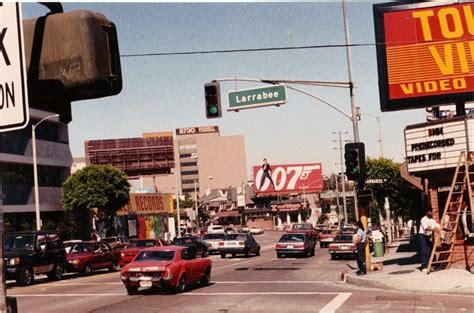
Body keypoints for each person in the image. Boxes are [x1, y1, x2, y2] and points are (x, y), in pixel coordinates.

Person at [419, 208, 438, 272]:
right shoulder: (423, 219)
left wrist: (441, 228)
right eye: (429, 212)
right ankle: (424, 266)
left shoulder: (432, 220)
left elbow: (436, 226)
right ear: (426, 212)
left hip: (428, 236)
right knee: (424, 250)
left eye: (431, 212)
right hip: (422, 236)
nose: (431, 213)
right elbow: (426, 228)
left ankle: (429, 265)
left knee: (429, 250)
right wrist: (434, 229)